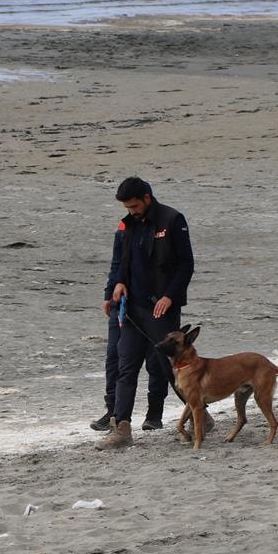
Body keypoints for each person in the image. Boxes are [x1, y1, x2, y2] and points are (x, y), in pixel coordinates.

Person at [95, 176, 195, 450]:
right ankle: (121, 429)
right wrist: (115, 287)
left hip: (162, 310)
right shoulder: (127, 224)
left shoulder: (172, 220)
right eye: (128, 207)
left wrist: (169, 296)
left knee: (167, 368)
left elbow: (186, 265)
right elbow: (120, 262)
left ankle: (200, 415)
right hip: (132, 310)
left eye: (135, 205)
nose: (131, 211)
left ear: (147, 198)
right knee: (125, 368)